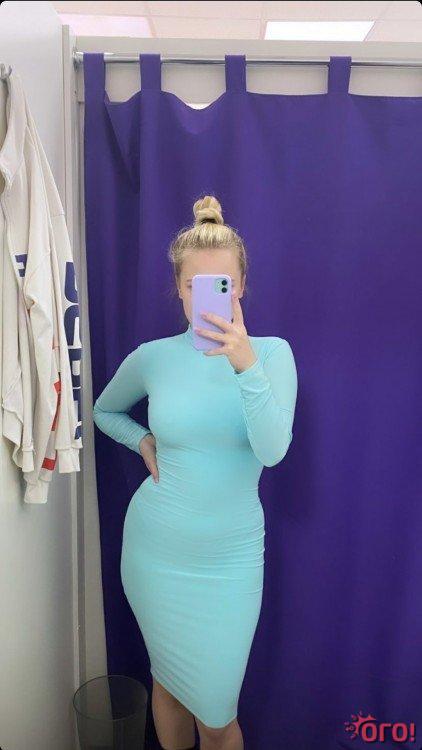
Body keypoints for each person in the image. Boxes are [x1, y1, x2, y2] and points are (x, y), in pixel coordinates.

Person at [92, 194, 298, 750]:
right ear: (180, 289)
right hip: (155, 554)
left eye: (221, 285)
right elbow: (105, 411)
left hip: (231, 563)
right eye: (194, 286)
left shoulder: (272, 355)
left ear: (241, 286)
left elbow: (273, 451)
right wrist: (142, 440)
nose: (206, 298)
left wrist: (244, 365)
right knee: (168, 681)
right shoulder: (153, 357)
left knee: (218, 717)